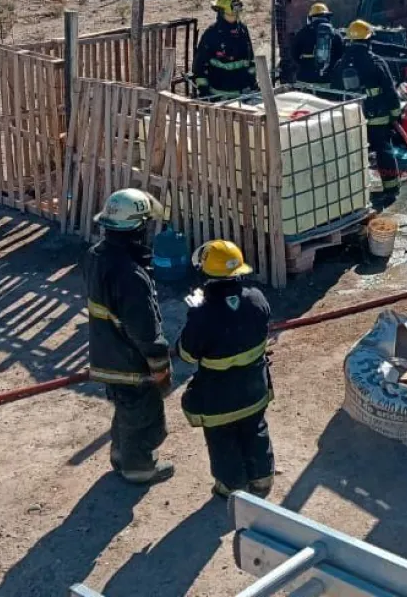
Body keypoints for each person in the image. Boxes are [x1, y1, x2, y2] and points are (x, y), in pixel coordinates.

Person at [84, 188, 174, 486]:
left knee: (126, 407)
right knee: (144, 415)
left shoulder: (96, 256)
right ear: (138, 228)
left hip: (106, 354)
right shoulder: (130, 275)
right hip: (131, 361)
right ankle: (139, 468)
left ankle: (120, 455)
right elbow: (145, 330)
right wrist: (160, 367)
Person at [177, 240, 275, 499]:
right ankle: (262, 479)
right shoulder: (257, 298)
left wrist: (196, 312)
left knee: (222, 440)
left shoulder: (202, 313)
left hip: (218, 399)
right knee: (255, 429)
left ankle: (231, 487)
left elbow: (187, 354)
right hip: (255, 390)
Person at [331, 20, 402, 205]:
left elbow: (334, 92)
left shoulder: (341, 64)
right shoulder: (376, 62)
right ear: (369, 40)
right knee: (384, 151)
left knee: (355, 154)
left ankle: (354, 192)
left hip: (352, 118)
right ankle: (391, 189)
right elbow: (390, 90)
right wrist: (396, 114)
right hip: (378, 117)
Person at [192, 0, 258, 99]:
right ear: (221, 13)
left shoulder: (242, 30)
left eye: (236, 14)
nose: (235, 17)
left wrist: (252, 82)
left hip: (242, 92)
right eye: (231, 15)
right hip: (218, 93)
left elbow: (250, 59)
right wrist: (203, 89)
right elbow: (200, 63)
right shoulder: (211, 33)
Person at [290, 2, 343, 87]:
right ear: (328, 17)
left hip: (305, 79)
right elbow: (340, 56)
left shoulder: (302, 33)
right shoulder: (336, 34)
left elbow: (294, 54)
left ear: (311, 18)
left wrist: (305, 64)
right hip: (327, 80)